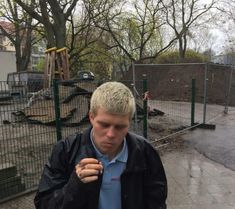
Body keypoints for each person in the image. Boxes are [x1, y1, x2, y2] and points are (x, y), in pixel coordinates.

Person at [34, 81, 167, 209]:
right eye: (104, 125)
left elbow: (157, 202)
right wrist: (74, 186)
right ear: (91, 117)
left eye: (120, 127)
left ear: (129, 123)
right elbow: (44, 203)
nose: (110, 134)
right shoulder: (66, 151)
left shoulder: (145, 152)